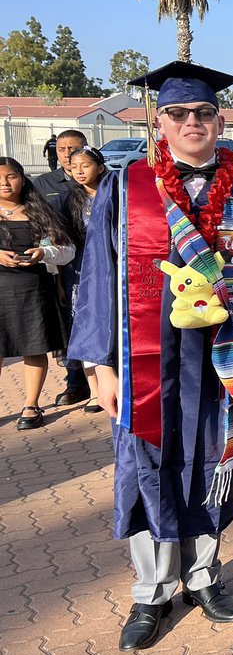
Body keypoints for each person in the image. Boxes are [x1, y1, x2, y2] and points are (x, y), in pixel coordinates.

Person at [68, 61, 233, 651]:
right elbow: (97, 277)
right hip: (145, 365)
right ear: (159, 120)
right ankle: (151, 591)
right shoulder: (126, 185)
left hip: (222, 363)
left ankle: (205, 576)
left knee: (215, 464)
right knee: (147, 468)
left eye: (204, 113)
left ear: (219, 120)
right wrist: (100, 365)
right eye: (180, 113)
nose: (193, 122)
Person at [0, 158, 76, 430]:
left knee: (34, 348)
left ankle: (31, 406)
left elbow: (67, 250)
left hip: (33, 290)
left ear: (22, 177)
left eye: (10, 177)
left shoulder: (39, 211)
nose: (4, 183)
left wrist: (44, 253)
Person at [34, 129, 90, 407]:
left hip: (97, 262)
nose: (68, 155)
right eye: (62, 149)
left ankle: (102, 378)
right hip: (64, 265)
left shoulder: (104, 181)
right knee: (69, 322)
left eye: (74, 148)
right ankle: (76, 382)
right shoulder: (43, 184)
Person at [63, 145, 109, 414]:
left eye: (86, 165)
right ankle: (94, 392)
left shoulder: (116, 194)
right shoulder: (68, 201)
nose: (79, 171)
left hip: (112, 271)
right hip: (81, 273)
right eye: (74, 166)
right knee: (88, 329)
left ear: (100, 167)